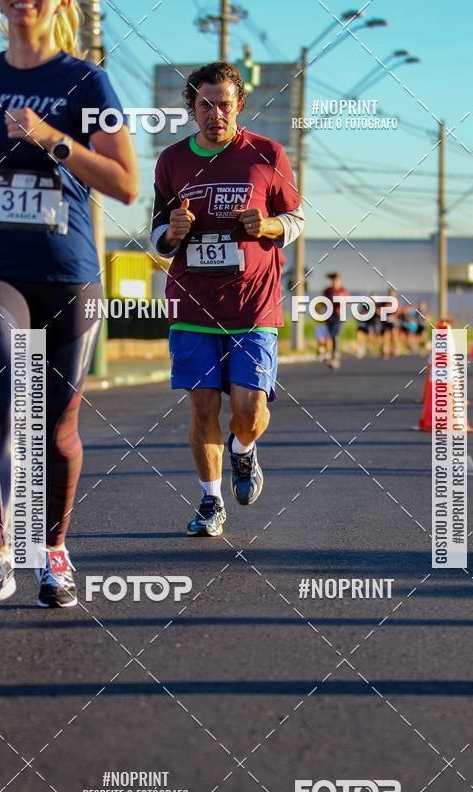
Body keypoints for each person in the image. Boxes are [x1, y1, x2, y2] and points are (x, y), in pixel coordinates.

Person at [0, 0, 139, 613]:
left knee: (55, 426)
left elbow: (125, 183)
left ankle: (52, 549)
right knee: (3, 397)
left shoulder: (86, 81)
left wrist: (54, 140)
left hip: (65, 273)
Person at [150, 61, 303, 536]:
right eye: (205, 104)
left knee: (249, 411)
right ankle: (210, 501)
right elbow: (155, 235)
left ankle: (244, 450)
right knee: (201, 408)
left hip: (253, 305)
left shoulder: (267, 154)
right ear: (191, 109)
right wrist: (171, 233)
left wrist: (271, 224)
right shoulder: (172, 161)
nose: (215, 113)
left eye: (224, 103)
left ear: (240, 104)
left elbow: (297, 220)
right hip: (193, 304)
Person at [322, 272, 347, 369]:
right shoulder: (328, 290)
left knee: (335, 334)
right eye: (334, 280)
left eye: (337, 280)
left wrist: (341, 302)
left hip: (339, 315)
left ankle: (334, 355)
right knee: (329, 335)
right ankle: (330, 353)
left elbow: (347, 301)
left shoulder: (343, 291)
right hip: (329, 315)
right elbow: (322, 301)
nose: (335, 282)